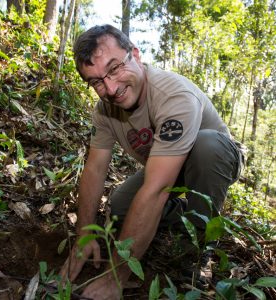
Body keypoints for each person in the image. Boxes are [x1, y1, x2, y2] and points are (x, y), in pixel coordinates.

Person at [60, 24, 243, 299]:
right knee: (120, 207)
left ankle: (201, 245)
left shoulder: (173, 96)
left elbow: (156, 189)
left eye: (114, 68)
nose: (110, 88)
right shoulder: (105, 112)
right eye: (97, 81)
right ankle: (185, 215)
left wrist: (116, 275)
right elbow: (95, 169)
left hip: (213, 159)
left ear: (135, 54)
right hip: (168, 164)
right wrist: (84, 235)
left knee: (207, 146)